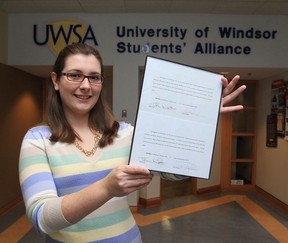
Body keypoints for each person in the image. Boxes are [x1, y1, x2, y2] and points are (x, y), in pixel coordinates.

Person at [19, 42, 246, 243]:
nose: (86, 85)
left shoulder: (124, 134)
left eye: (94, 77)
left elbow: (174, 172)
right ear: (56, 80)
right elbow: (42, 219)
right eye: (75, 75)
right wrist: (107, 188)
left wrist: (198, 121)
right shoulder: (37, 140)